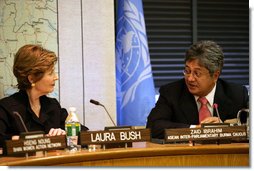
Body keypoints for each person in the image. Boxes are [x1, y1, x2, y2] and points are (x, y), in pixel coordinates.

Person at [146, 40, 249, 139]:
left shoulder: (237, 94)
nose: (190, 78)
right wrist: (196, 130)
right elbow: (153, 126)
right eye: (187, 71)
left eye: (197, 73)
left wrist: (224, 127)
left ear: (215, 75)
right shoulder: (171, 92)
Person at [0, 44, 88, 148]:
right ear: (32, 78)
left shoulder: (52, 105)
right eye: (50, 73)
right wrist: (38, 140)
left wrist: (65, 134)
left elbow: (84, 133)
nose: (56, 77)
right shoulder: (6, 108)